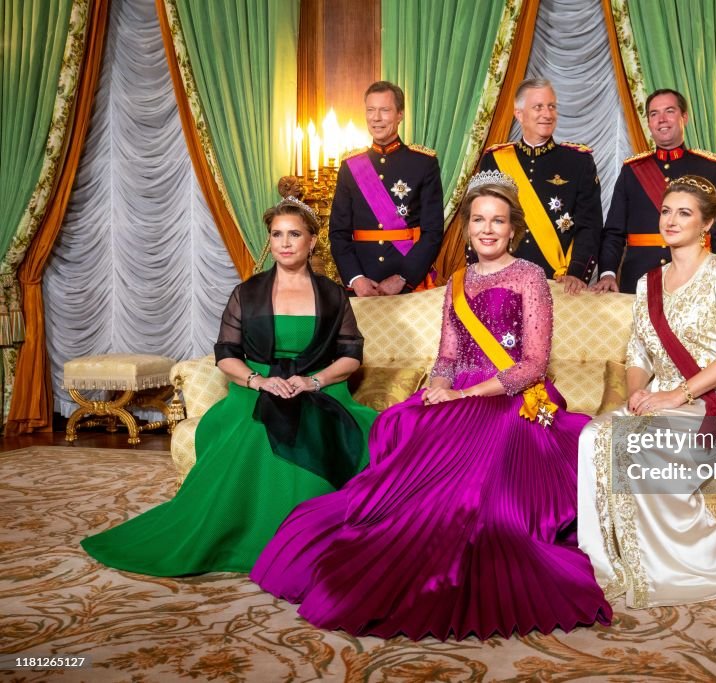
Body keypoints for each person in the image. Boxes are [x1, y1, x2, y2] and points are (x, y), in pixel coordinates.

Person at [252, 172, 612, 640]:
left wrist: (464, 394)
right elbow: (447, 355)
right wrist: (439, 386)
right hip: (458, 392)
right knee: (403, 424)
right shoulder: (458, 281)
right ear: (466, 226)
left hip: (512, 400)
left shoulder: (530, 277)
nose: (487, 229)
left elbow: (533, 365)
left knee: (475, 490)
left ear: (512, 228)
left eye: (497, 221)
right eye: (478, 219)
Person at [82, 197, 377, 576]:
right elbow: (225, 353)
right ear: (269, 241)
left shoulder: (333, 295)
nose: (285, 243)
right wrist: (260, 381)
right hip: (253, 388)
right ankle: (249, 541)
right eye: (277, 235)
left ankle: (306, 543)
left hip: (318, 390)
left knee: (328, 428)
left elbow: (352, 355)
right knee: (257, 430)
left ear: (312, 241)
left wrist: (312, 381)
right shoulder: (247, 292)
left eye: (294, 234)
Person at [577, 176, 716, 607]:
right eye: (667, 211)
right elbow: (638, 351)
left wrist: (675, 396)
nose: (671, 220)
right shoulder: (647, 282)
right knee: (591, 436)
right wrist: (637, 393)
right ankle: (609, 561)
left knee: (639, 444)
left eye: (685, 213)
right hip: (661, 395)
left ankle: (688, 561)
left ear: (707, 223)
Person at [592, 89, 716, 294]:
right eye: (654, 114)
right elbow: (614, 232)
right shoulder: (632, 170)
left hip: (695, 280)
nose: (661, 119)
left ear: (684, 117)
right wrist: (607, 272)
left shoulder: (709, 168)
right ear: (649, 123)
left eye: (669, 111)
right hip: (639, 279)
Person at [478, 78, 601, 294]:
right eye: (538, 107)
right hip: (501, 277)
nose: (547, 113)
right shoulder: (495, 159)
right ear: (519, 114)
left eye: (551, 106)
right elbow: (477, 220)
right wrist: (481, 268)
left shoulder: (578, 162)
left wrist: (577, 273)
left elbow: (589, 226)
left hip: (558, 281)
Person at [329, 81, 444, 296]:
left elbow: (433, 232)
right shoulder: (350, 167)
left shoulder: (423, 163)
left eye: (385, 110)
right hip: (362, 285)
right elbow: (338, 233)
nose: (376, 118)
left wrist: (404, 277)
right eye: (371, 110)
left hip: (408, 284)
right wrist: (356, 278)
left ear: (400, 114)